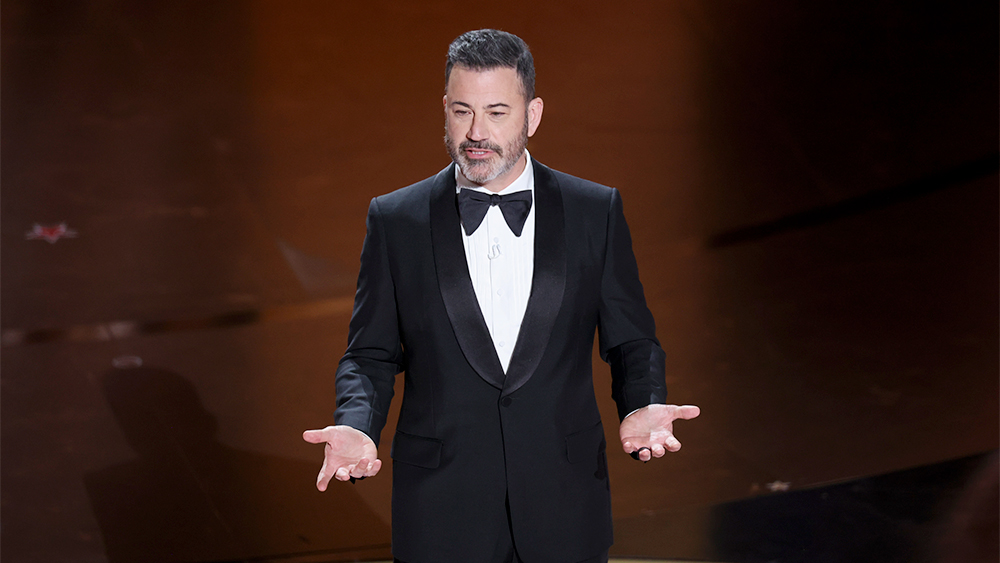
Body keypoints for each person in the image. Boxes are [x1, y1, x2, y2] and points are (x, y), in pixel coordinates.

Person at [303, 29, 700, 563]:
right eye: (462, 111)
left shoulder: (594, 211)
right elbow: (369, 353)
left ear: (532, 115)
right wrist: (355, 423)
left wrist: (643, 401)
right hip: (441, 513)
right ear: (444, 110)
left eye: (496, 112)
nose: (476, 133)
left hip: (565, 502)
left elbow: (632, 340)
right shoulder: (396, 219)